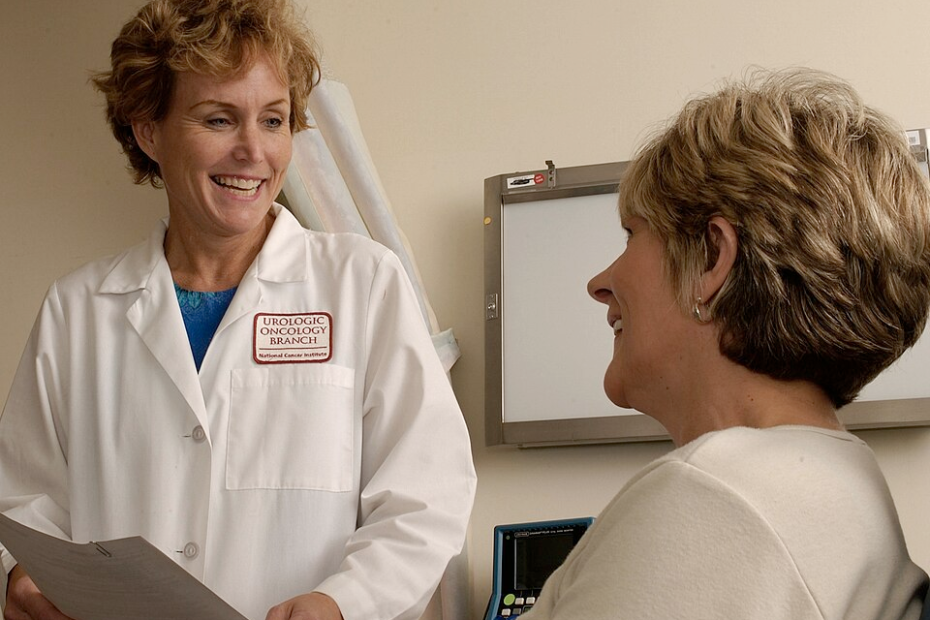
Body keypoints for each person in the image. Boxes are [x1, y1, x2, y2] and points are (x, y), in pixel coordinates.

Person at [0, 1, 476, 619]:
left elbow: (426, 494)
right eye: (220, 119)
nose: (254, 151)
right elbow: (22, 499)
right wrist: (19, 579)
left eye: (274, 121)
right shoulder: (78, 310)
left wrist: (341, 604)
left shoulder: (363, 285)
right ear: (149, 130)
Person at [523, 69, 930, 620]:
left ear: (712, 260)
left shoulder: (714, 500)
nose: (599, 282)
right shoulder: (836, 480)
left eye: (632, 234)